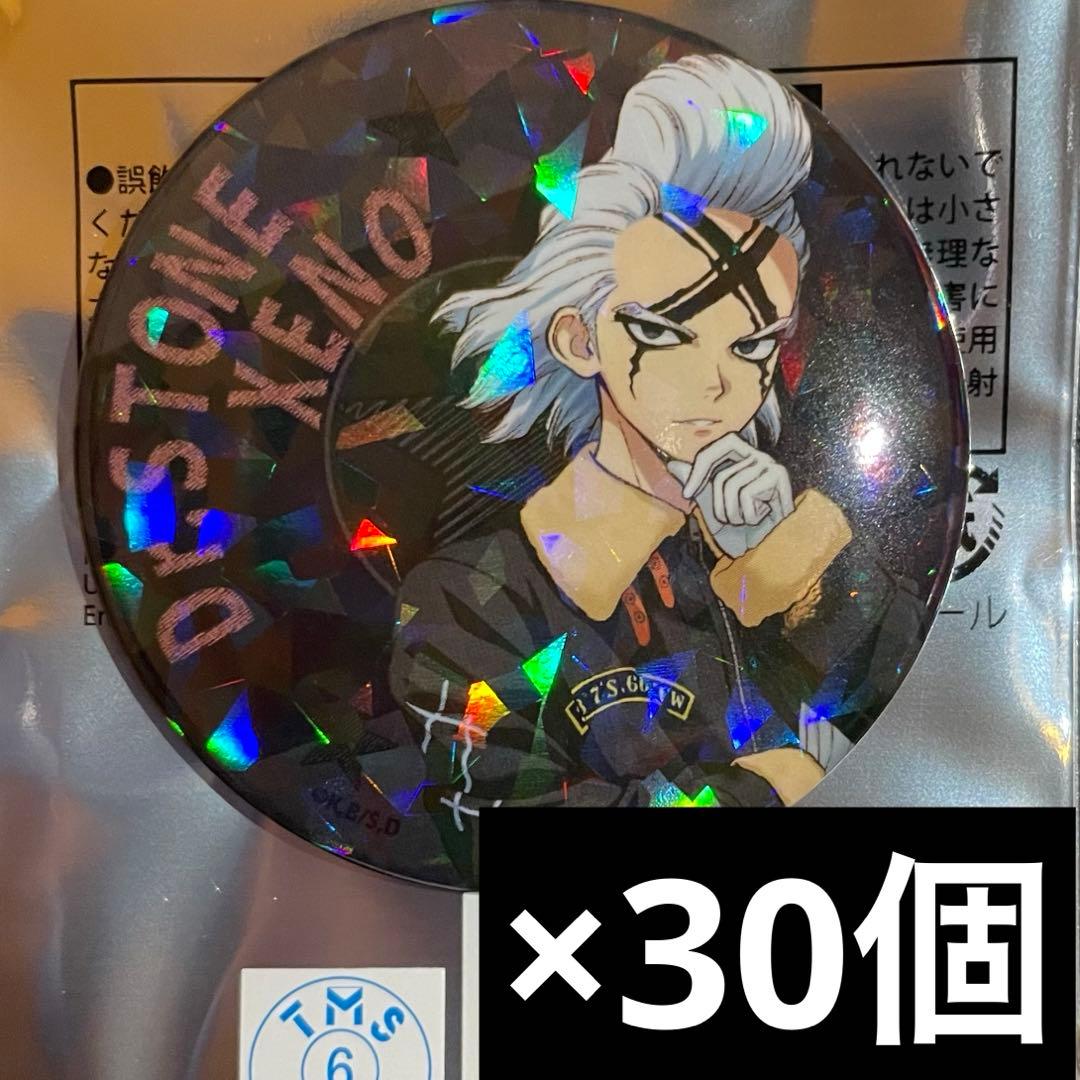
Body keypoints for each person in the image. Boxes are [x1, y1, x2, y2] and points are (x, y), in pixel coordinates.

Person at [385, 53, 922, 877]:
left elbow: (927, 716)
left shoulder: (773, 552)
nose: (719, 383)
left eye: (752, 346)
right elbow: (504, 837)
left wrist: (802, 569)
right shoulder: (469, 600)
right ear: (578, 338)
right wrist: (768, 791)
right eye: (666, 333)